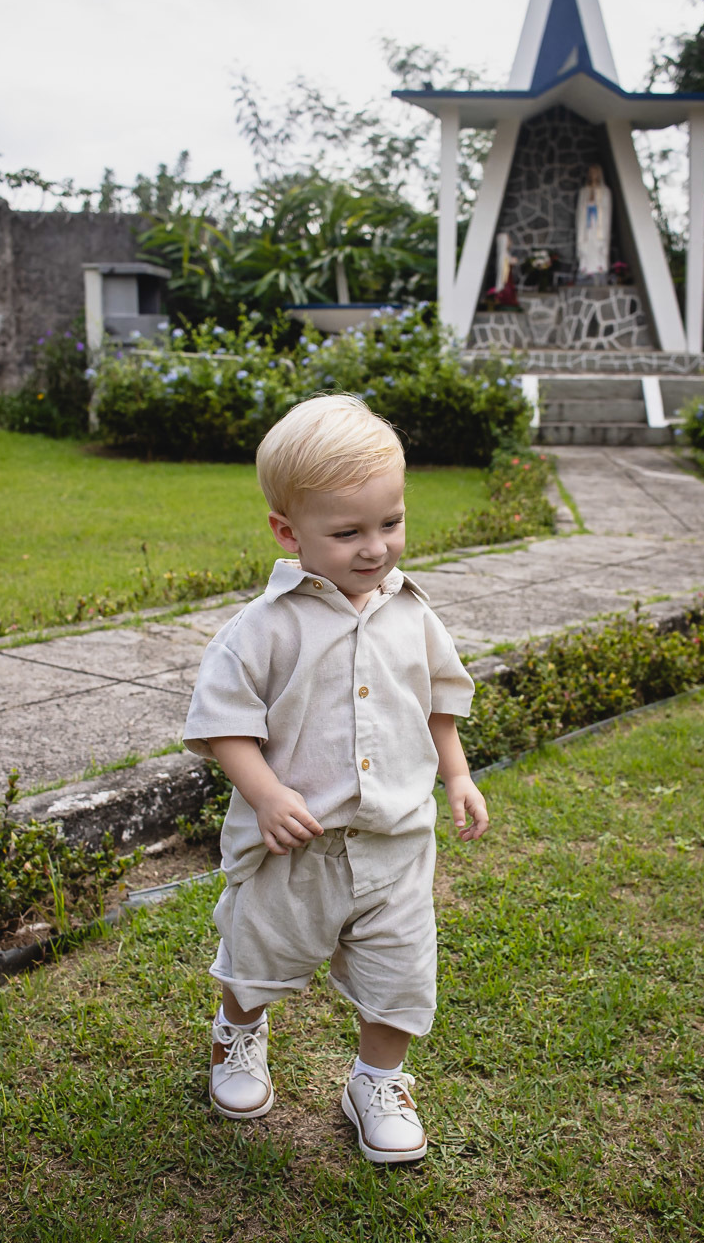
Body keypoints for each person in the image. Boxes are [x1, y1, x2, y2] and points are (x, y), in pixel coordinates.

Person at [183, 394, 489, 1164]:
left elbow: (438, 699)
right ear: (288, 532)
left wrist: (454, 772)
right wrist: (265, 792)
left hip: (394, 845)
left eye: (391, 523)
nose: (376, 548)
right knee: (257, 958)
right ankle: (238, 1036)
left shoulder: (412, 613)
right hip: (295, 849)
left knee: (401, 974)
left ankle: (375, 1081)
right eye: (347, 532)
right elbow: (225, 722)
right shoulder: (263, 628)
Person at [576, 163, 612, 278]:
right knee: (585, 243)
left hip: (598, 223)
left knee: (598, 242)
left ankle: (600, 265)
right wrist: (587, 206)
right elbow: (580, 209)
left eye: (594, 172)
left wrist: (597, 205)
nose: (592, 175)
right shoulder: (584, 191)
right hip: (586, 223)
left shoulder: (605, 191)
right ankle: (584, 265)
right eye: (590, 172)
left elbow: (607, 208)